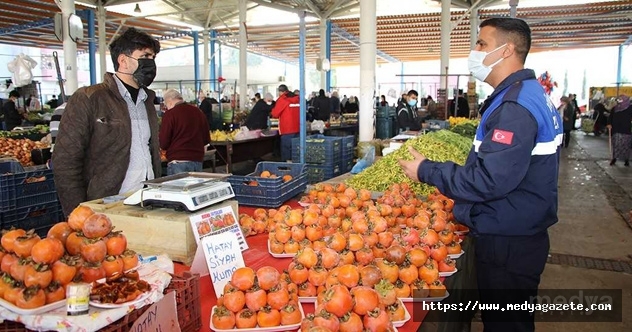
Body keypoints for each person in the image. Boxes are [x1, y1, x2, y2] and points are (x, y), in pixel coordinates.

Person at [399, 18, 563, 332]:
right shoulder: (526, 94)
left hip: (509, 239)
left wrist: (426, 170)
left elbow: (490, 179)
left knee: (506, 324)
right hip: (518, 228)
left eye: (482, 44)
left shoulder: (515, 106)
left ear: (508, 50)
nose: (474, 51)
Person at [52, 27, 162, 216]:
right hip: (106, 206)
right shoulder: (89, 98)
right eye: (145, 56)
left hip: (145, 202)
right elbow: (66, 161)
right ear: (123, 60)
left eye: (153, 58)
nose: (151, 63)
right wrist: (78, 213)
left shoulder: (148, 101)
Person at [159, 89, 210, 175]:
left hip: (178, 162)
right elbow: (206, 139)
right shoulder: (198, 112)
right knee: (195, 188)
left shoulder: (170, 114)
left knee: (178, 188)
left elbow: (163, 142)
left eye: (166, 105)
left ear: (170, 102)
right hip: (197, 161)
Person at [271, 84, 300, 162]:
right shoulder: (298, 98)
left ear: (281, 92)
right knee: (296, 149)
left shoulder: (282, 100)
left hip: (287, 128)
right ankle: (296, 165)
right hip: (298, 128)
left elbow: (275, 114)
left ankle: (287, 167)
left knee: (286, 149)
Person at [607, 95, 632, 166]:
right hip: (616, 129)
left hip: (626, 129)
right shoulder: (615, 108)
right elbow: (610, 116)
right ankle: (614, 158)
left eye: (621, 99)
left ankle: (626, 160)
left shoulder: (630, 108)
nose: (619, 100)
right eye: (619, 99)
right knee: (616, 145)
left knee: (626, 145)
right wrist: (609, 123)